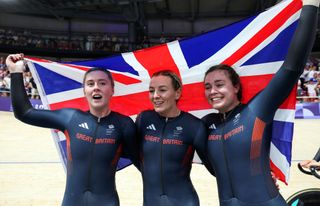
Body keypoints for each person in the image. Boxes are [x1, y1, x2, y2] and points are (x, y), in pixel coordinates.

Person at [202, 0, 319, 205]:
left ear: (236, 87)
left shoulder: (256, 110)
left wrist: (310, 6)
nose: (213, 91)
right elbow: (216, 168)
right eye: (207, 86)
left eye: (219, 84)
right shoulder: (205, 125)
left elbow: (291, 69)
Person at [6, 53, 139, 206]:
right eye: (90, 84)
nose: (96, 87)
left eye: (102, 83)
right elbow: (24, 113)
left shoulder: (124, 125)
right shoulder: (71, 118)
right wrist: (16, 72)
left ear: (112, 90)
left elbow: (145, 164)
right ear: (84, 91)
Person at [135, 70, 213, 206]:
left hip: (184, 201)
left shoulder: (194, 125)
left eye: (162, 90)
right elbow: (132, 154)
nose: (155, 96)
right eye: (151, 90)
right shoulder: (144, 119)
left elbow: (215, 167)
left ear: (177, 93)